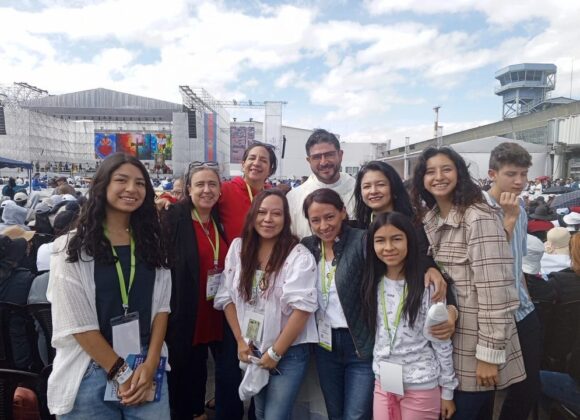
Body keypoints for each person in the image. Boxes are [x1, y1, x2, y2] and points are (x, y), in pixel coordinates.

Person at [46, 153, 172, 418]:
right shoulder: (71, 248)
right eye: (122, 180)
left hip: (143, 363)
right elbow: (78, 324)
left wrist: (151, 364)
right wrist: (121, 372)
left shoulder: (152, 244)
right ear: (102, 185)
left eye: (140, 183)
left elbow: (162, 308)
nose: (131, 189)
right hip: (90, 369)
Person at [411, 147, 525, 419]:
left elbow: (496, 290)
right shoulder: (431, 218)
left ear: (459, 173)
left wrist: (489, 354)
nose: (438, 177)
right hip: (450, 340)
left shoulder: (478, 216)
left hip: (475, 347)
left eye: (446, 169)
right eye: (430, 171)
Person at [214, 189, 318, 420]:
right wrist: (240, 340)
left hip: (288, 351)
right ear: (252, 216)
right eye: (261, 212)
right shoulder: (239, 249)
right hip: (253, 345)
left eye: (276, 214)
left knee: (275, 416)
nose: (268, 219)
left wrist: (275, 352)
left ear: (286, 219)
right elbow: (227, 297)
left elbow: (303, 310)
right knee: (259, 413)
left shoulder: (297, 255)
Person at [162, 161, 242, 420]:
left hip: (217, 310)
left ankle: (203, 411)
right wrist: (160, 200)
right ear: (188, 189)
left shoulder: (219, 220)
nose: (206, 190)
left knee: (210, 371)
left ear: (220, 190)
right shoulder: (174, 217)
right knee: (185, 372)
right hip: (186, 312)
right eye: (200, 184)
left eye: (212, 185)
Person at [362, 212, 458, 419]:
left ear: (409, 240)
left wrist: (448, 391)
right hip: (383, 381)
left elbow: (441, 341)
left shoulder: (427, 286)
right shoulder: (372, 282)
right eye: (380, 241)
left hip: (421, 385)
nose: (388, 247)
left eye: (396, 239)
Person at [300, 188, 374, 420]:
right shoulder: (308, 247)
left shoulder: (362, 240)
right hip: (325, 346)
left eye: (329, 216)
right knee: (334, 412)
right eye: (316, 220)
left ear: (343, 212)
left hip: (359, 343)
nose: (324, 226)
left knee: (356, 414)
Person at [484, 142, 542, 420]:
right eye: (511, 174)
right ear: (492, 174)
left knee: (529, 386)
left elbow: (517, 259)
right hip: (493, 314)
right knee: (485, 388)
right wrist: (508, 218)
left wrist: (527, 295)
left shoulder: (521, 208)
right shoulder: (479, 211)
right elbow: (489, 262)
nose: (519, 181)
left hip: (523, 308)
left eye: (523, 174)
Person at [287, 129, 355, 239]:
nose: (323, 162)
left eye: (329, 155)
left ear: (340, 155)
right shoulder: (293, 198)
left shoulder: (358, 191)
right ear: (309, 160)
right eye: (317, 157)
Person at [219, 142, 277, 239]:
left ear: (270, 170)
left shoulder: (274, 196)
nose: (256, 163)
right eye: (252, 158)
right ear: (243, 164)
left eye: (263, 160)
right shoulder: (224, 190)